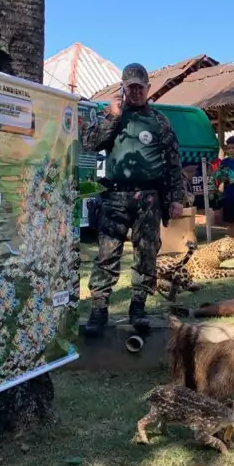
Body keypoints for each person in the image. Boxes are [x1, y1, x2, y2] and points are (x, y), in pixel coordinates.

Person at [83, 63, 184, 335]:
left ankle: (138, 308)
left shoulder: (160, 121)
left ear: (148, 88)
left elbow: (173, 162)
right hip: (116, 194)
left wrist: (177, 199)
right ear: (123, 89)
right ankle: (99, 309)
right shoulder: (114, 116)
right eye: (131, 87)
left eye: (141, 87)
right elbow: (89, 144)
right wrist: (112, 117)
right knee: (107, 252)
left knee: (147, 253)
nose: (136, 92)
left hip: (149, 198)